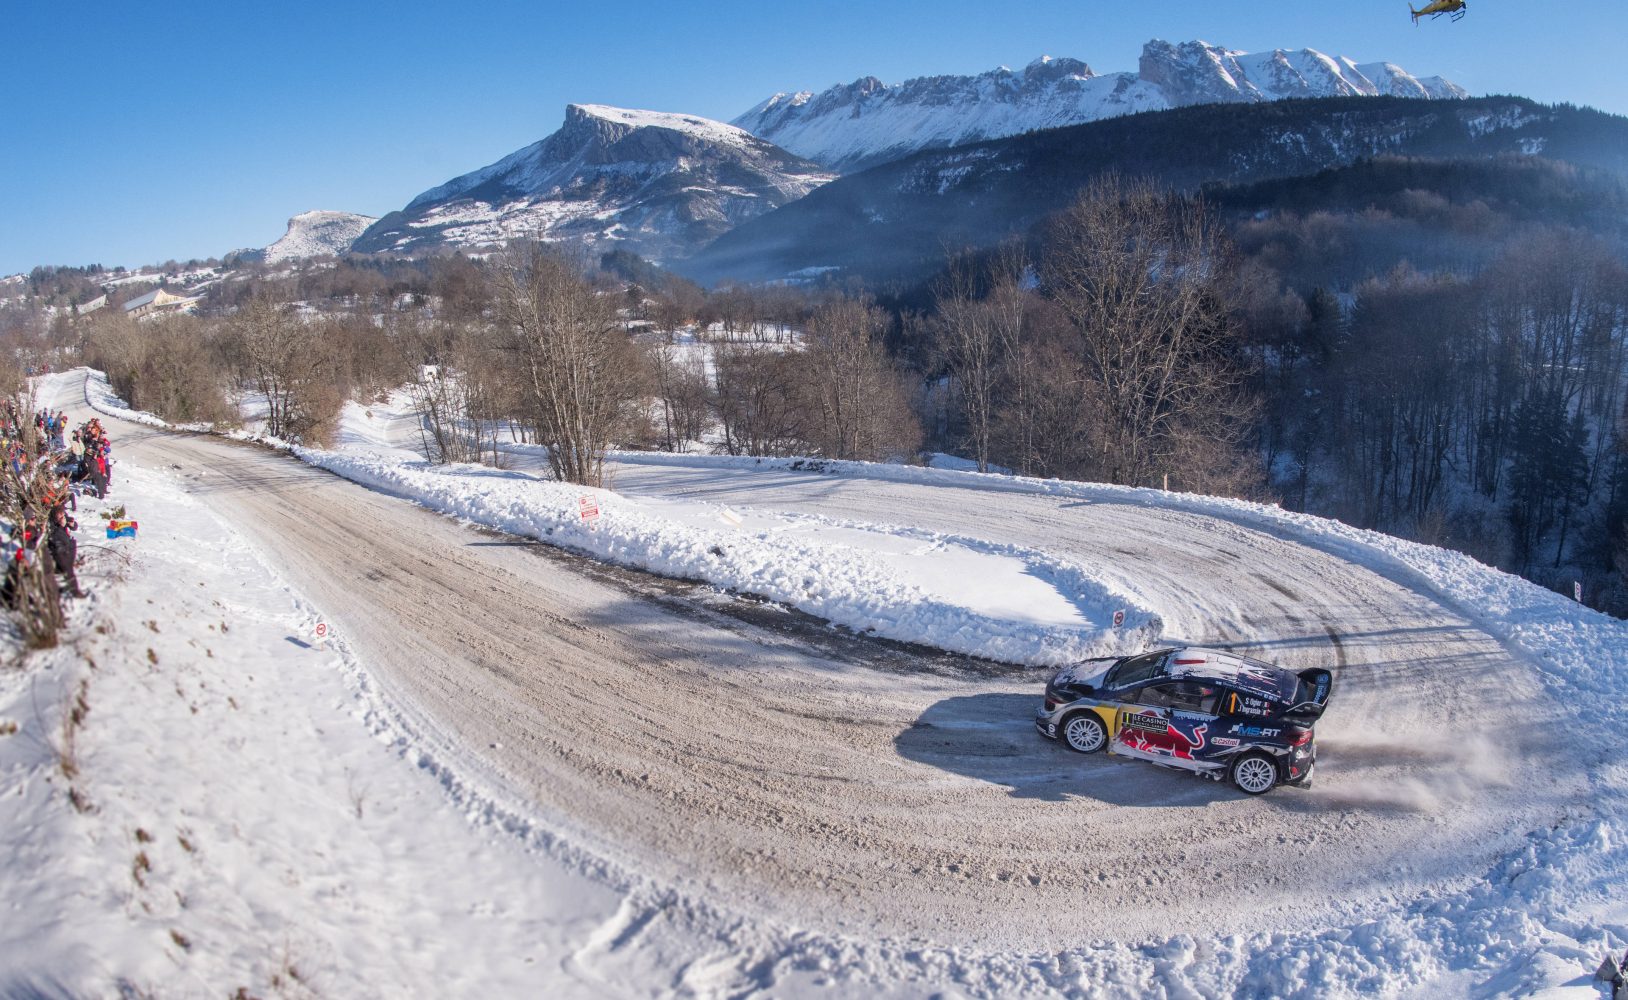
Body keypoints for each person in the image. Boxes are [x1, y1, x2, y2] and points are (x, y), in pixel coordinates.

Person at [46, 505, 84, 598]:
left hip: (68, 545)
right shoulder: (53, 525)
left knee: (68, 568)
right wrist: (62, 526)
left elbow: (74, 527)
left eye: (63, 515)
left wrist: (72, 524)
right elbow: (56, 536)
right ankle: (75, 591)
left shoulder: (63, 517)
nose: (63, 518)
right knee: (68, 570)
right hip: (60, 549)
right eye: (60, 517)